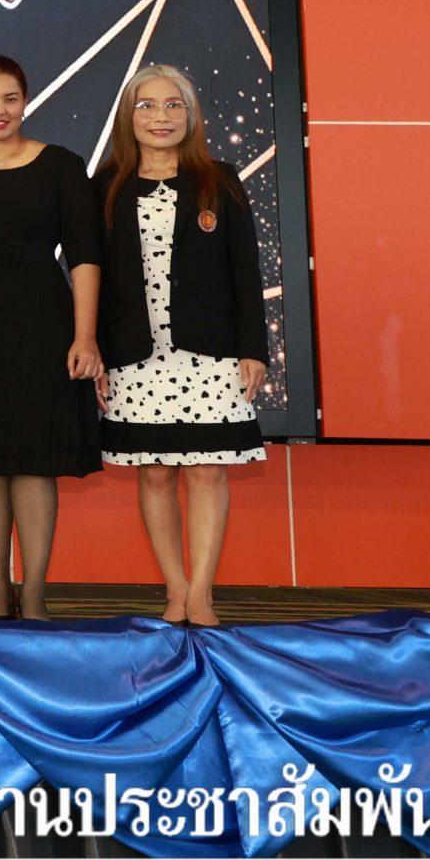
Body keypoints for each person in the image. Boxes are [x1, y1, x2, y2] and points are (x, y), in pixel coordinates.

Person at [93, 63, 268, 627]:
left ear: (191, 116)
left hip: (211, 351)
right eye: (147, 105)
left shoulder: (220, 178)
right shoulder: (106, 184)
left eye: (174, 105)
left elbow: (246, 270)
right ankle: (174, 589)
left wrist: (254, 348)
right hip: (134, 351)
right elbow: (94, 276)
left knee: (208, 470)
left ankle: (202, 595)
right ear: (128, 116)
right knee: (154, 472)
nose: (160, 117)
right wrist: (97, 350)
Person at [0, 55, 103, 621]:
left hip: (43, 325)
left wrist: (85, 336)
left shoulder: (61, 166)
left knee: (35, 460)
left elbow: (84, 256)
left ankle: (33, 592)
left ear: (25, 102)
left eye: (9, 98)